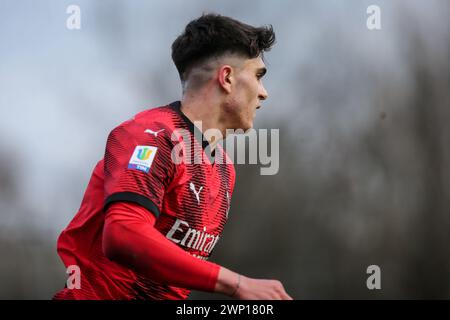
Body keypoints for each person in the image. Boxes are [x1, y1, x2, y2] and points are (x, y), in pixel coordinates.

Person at [53, 13, 292, 300]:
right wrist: (236, 283)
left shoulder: (224, 169)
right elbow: (123, 233)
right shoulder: (150, 135)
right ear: (227, 78)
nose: (264, 93)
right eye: (258, 76)